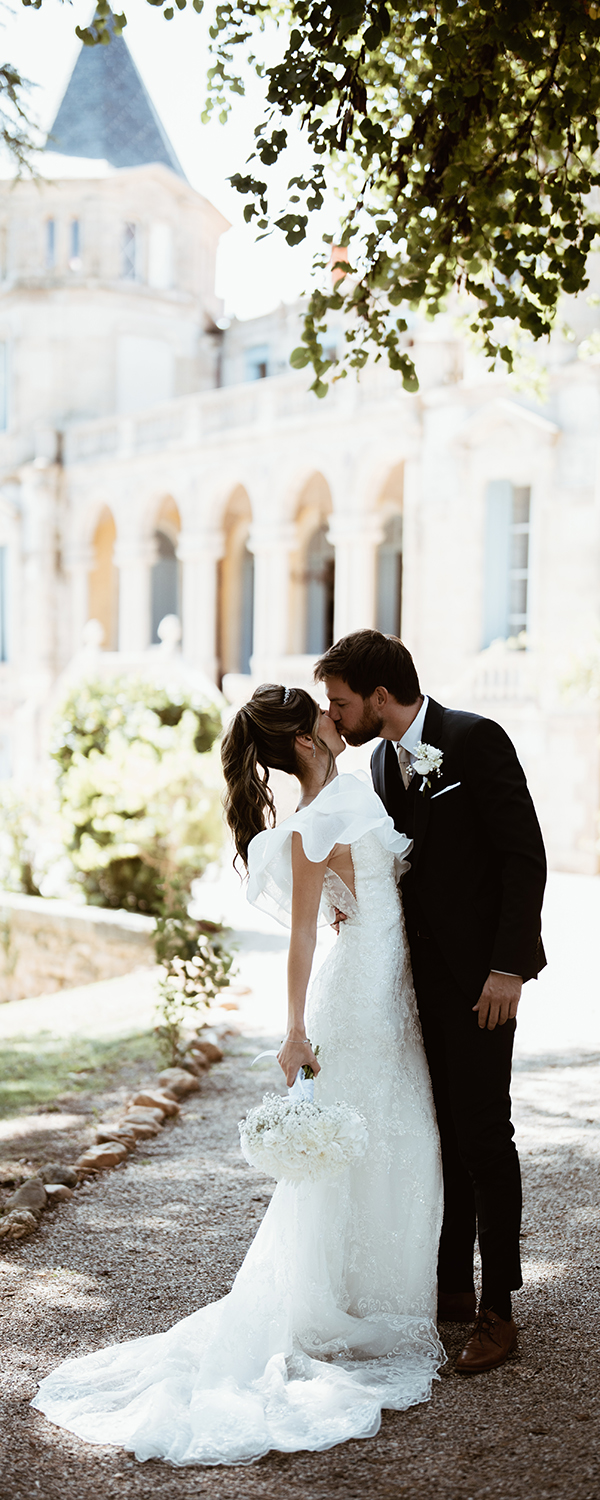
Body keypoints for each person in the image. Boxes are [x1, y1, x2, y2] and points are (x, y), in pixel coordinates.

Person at [32, 683, 444, 1466]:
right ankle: (343, 1310)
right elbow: (301, 940)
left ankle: (380, 1297)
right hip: (355, 993)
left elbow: (369, 891)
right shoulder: (314, 823)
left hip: (389, 983)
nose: (337, 715)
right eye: (324, 712)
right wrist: (293, 1031)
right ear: (304, 737)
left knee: (402, 1135)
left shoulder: (351, 792)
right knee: (372, 1137)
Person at [315, 630, 547, 1374]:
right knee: (437, 1133)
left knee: (484, 1136)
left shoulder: (475, 739)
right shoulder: (382, 761)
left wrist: (508, 968)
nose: (336, 714)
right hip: (414, 988)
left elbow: (523, 855)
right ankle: (449, 1289)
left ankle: (499, 1310)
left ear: (380, 697)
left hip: (483, 985)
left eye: (341, 701)